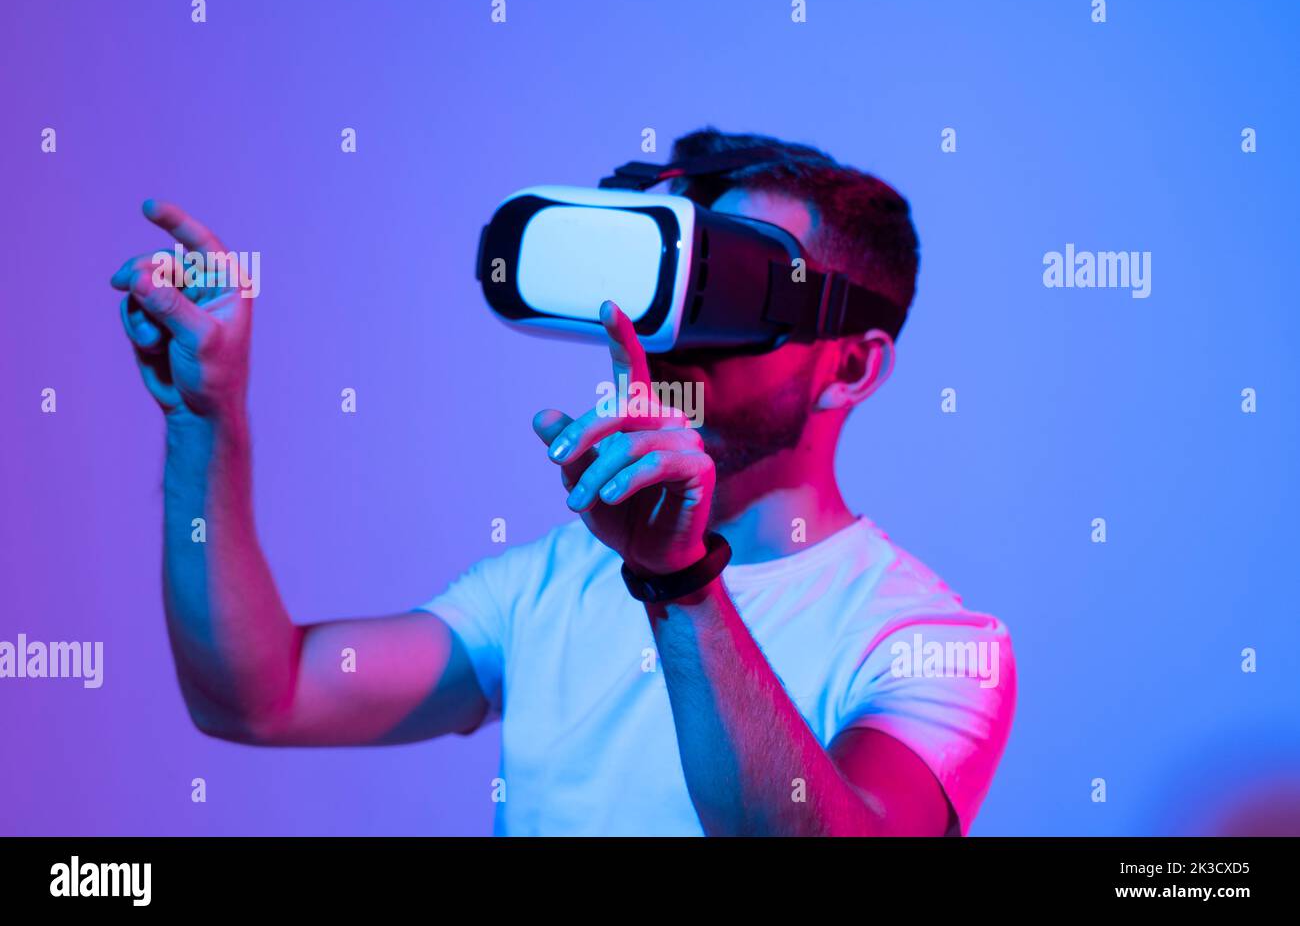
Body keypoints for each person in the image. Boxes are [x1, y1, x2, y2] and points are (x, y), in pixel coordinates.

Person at [110, 128, 1015, 836]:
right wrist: (206, 418)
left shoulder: (929, 640)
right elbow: (260, 697)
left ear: (852, 369)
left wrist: (681, 581)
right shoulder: (552, 584)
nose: (682, 334)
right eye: (689, 272)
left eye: (742, 286)